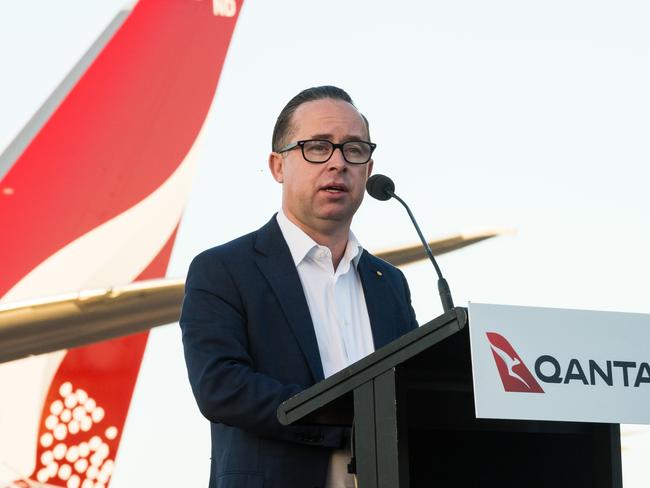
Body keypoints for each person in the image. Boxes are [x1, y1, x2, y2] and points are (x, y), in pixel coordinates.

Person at [180, 86, 418, 488]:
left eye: (354, 150)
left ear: (369, 168)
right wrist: (344, 426)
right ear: (278, 166)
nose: (338, 163)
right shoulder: (223, 269)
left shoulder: (389, 283)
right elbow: (220, 387)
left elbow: (413, 390)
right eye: (317, 147)